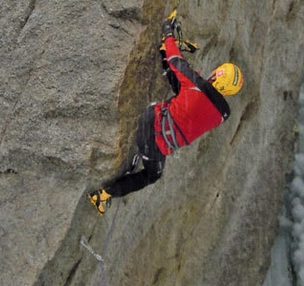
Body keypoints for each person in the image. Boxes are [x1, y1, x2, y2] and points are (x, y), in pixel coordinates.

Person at [88, 16, 243, 215]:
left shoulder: (195, 84)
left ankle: (162, 52)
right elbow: (199, 101)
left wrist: (168, 34)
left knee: (180, 83)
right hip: (153, 139)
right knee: (152, 175)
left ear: (217, 75)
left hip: (150, 118)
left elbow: (176, 61)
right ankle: (102, 194)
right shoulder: (221, 115)